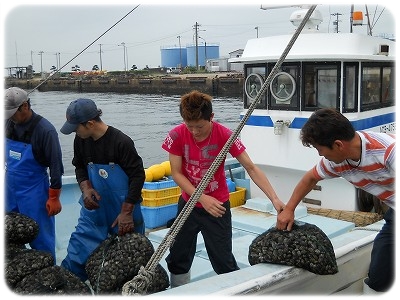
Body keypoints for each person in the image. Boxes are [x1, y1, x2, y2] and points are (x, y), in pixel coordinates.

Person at [161, 90, 285, 287]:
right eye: (189, 126)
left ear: (211, 117)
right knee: (178, 257)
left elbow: (251, 168)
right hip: (188, 204)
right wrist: (202, 198)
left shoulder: (225, 135)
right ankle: (179, 291)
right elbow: (177, 173)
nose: (194, 132)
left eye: (199, 126)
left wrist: (274, 199)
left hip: (217, 206)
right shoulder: (176, 135)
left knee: (222, 260)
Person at [276, 108, 395, 293]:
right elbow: (310, 178)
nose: (320, 155)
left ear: (338, 145)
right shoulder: (335, 162)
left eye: (320, 149)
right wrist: (289, 209)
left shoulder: (388, 152)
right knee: (380, 271)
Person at [59, 98, 146, 281]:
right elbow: (79, 167)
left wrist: (127, 212)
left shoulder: (121, 142)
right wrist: (86, 187)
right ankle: (69, 284)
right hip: (95, 208)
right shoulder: (81, 140)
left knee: (129, 258)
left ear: (90, 123)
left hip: (122, 210)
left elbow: (138, 176)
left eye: (76, 128)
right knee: (79, 247)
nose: (75, 132)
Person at [4, 87, 63, 261]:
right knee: (9, 234)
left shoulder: (46, 131)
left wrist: (54, 197)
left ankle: (47, 271)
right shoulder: (7, 122)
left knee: (40, 237)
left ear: (25, 106)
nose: (10, 117)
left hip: (34, 190)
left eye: (13, 112)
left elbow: (56, 166)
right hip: (9, 187)